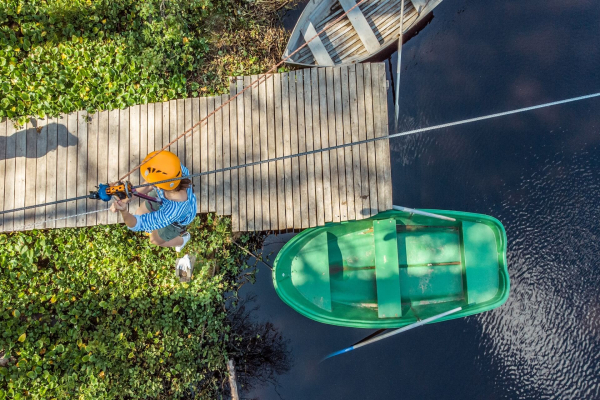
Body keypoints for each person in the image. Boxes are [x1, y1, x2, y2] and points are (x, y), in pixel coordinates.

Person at [110, 150, 197, 251]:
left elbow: (136, 224)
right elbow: (149, 185)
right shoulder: (176, 169)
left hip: (178, 219)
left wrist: (124, 211)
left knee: (154, 240)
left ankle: (182, 240)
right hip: (163, 198)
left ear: (159, 187)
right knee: (139, 213)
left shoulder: (172, 211)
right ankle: (155, 222)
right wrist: (125, 199)